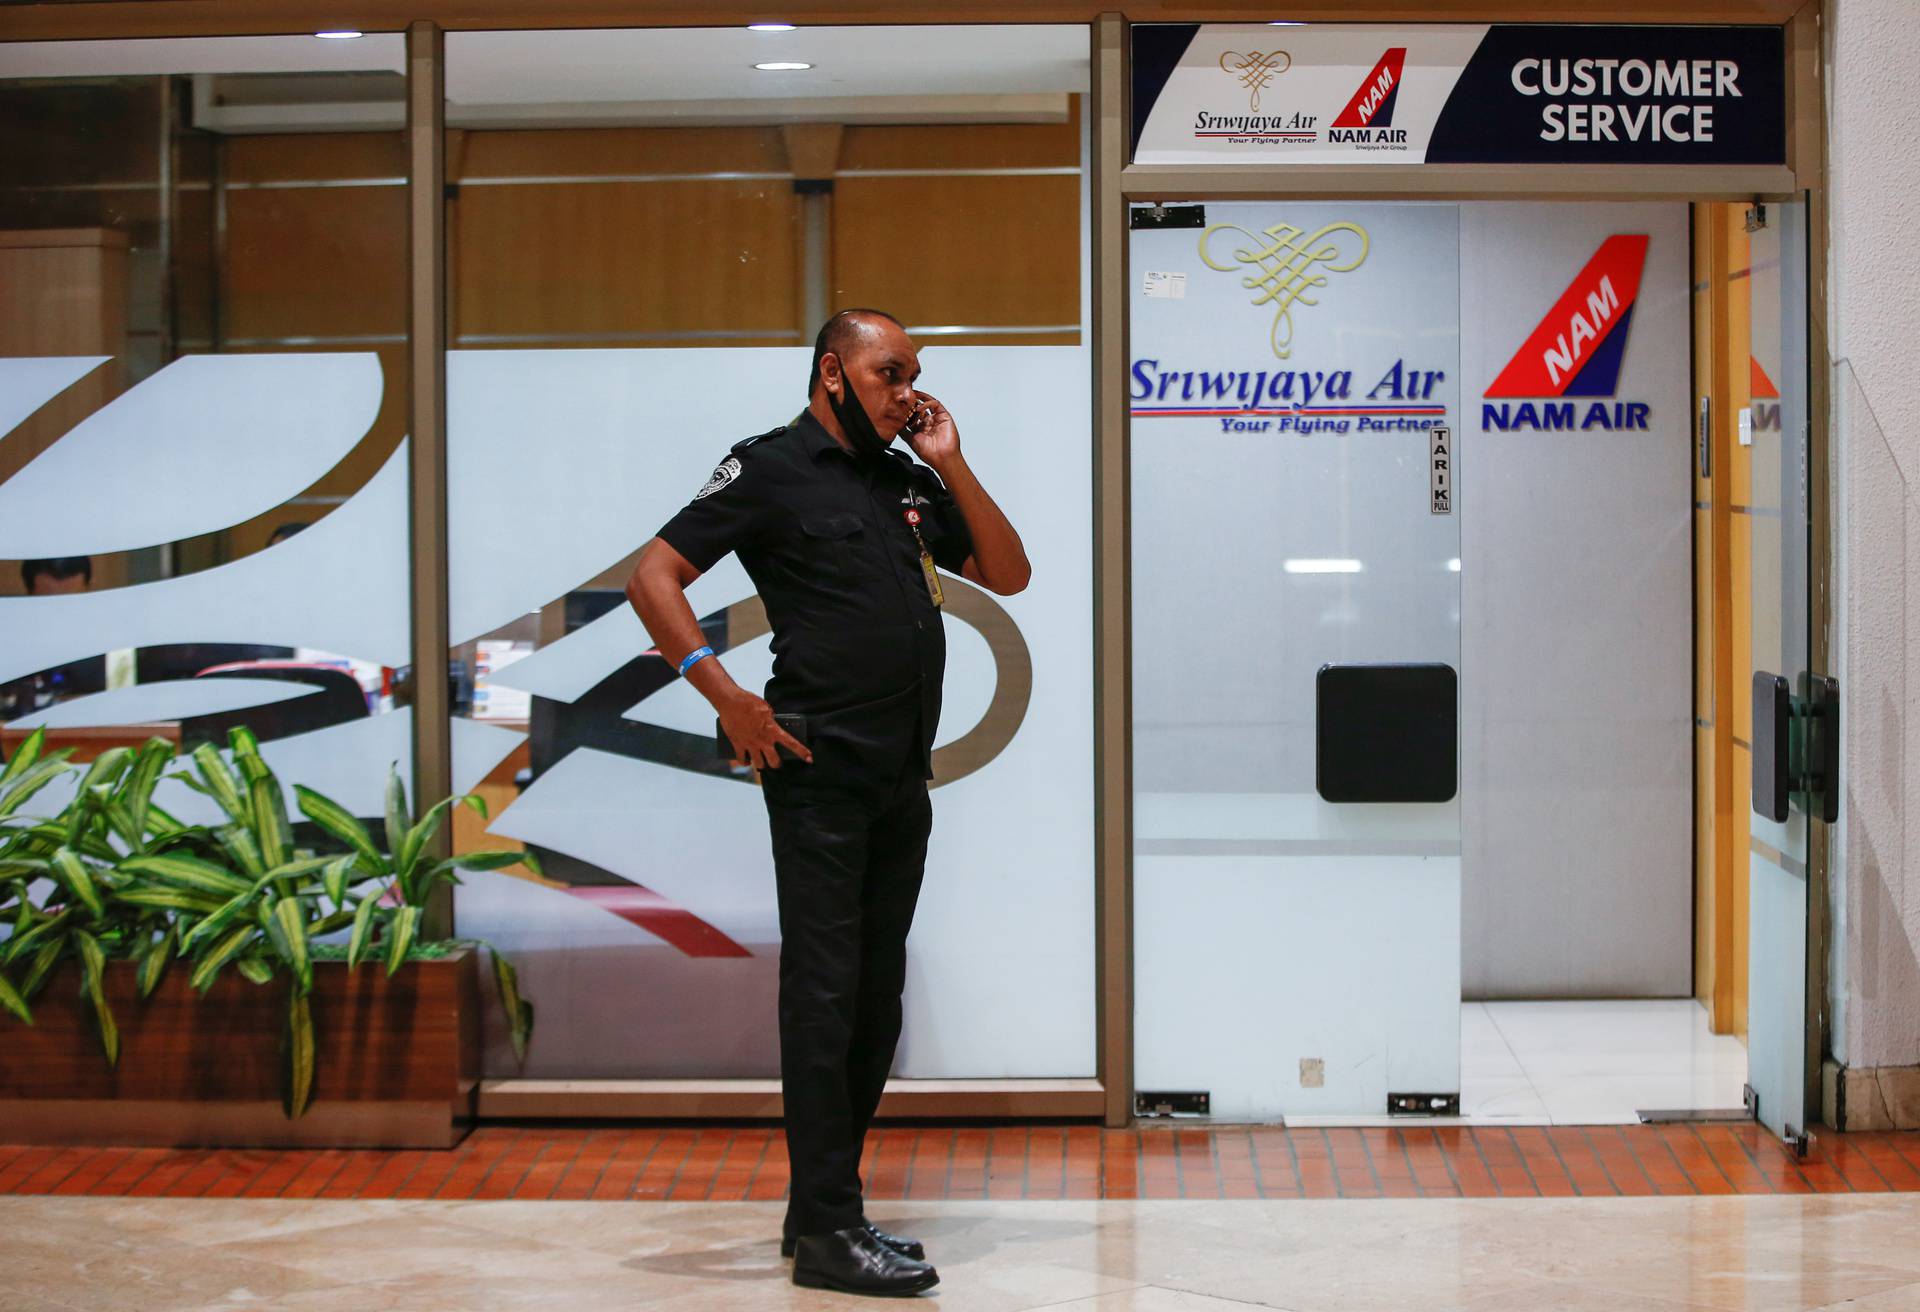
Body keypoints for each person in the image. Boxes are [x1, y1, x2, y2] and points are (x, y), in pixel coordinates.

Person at [625, 309, 1029, 1296]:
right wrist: (728, 697)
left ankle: (821, 1211)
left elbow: (1009, 573)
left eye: (915, 374)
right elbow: (654, 576)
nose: (908, 388)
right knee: (823, 995)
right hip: (820, 768)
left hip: (902, 772)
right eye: (891, 372)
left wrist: (952, 460)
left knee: (873, 1000)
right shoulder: (769, 468)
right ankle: (828, 1232)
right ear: (834, 373)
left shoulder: (904, 478)